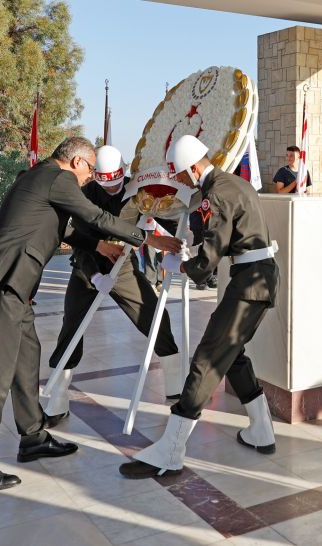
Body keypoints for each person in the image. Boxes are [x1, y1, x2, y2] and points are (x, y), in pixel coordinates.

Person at [0, 137, 182, 491]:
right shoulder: (58, 177)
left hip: (14, 287)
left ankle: (33, 436)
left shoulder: (41, 177)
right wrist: (147, 239)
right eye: (90, 169)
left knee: (27, 360)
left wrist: (98, 245)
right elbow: (95, 216)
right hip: (1, 285)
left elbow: (66, 229)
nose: (90, 177)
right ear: (76, 161)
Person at [120, 135, 279, 479]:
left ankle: (171, 450)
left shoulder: (215, 194)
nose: (180, 180)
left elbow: (209, 259)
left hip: (249, 283)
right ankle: (261, 430)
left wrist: (182, 265)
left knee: (207, 359)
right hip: (257, 278)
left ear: (193, 167)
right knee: (231, 353)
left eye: (180, 174)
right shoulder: (235, 183)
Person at [43, 146, 184, 427]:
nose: (112, 189)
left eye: (116, 183)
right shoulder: (84, 195)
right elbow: (80, 241)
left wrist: (186, 226)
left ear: (123, 171)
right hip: (87, 267)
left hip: (123, 266)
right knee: (72, 328)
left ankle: (176, 389)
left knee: (155, 317)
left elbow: (167, 215)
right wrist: (94, 276)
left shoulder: (138, 191)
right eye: (106, 184)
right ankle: (57, 400)